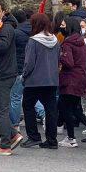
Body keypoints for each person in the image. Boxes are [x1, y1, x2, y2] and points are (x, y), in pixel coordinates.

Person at [0, 0, 24, 156]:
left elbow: (2, 46)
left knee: (1, 109)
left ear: (3, 12)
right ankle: (13, 134)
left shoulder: (6, 28)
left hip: (5, 74)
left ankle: (5, 144)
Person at [20, 13, 60, 149]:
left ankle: (33, 136)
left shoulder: (33, 41)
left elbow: (29, 62)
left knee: (28, 106)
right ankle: (52, 139)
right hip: (51, 79)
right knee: (51, 109)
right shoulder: (55, 40)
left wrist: (24, 76)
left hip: (34, 79)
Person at [58, 17, 86, 147]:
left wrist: (60, 57)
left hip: (69, 78)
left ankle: (71, 137)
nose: (61, 27)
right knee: (74, 107)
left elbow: (69, 62)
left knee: (66, 108)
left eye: (63, 24)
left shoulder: (67, 43)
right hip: (81, 77)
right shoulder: (81, 42)